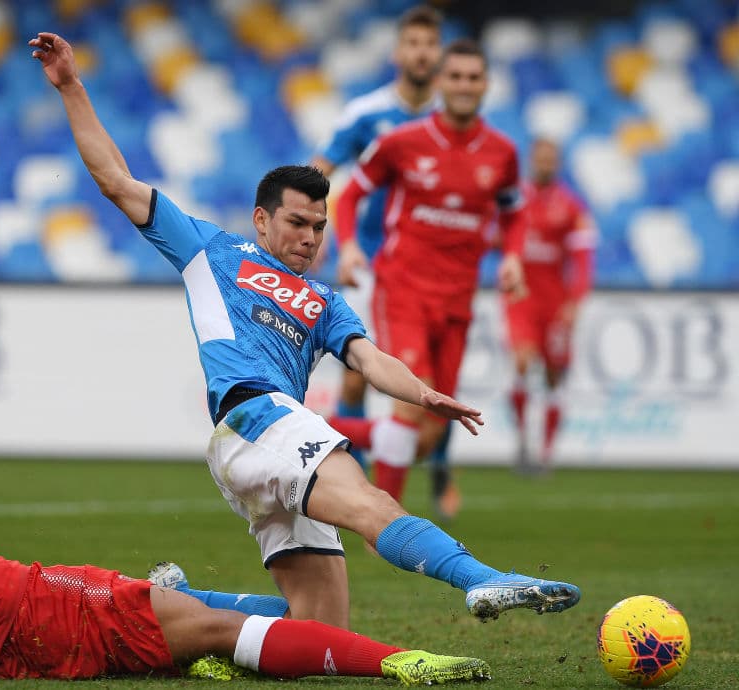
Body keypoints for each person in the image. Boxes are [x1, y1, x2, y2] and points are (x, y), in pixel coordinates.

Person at [31, 31, 579, 631]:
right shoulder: (211, 249)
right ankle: (484, 581)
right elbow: (115, 179)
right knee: (372, 504)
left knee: (319, 625)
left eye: (319, 227)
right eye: (297, 223)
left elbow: (369, 359)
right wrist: (71, 86)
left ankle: (160, 598)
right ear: (262, 219)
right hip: (257, 417)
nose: (310, 238)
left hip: (267, 440)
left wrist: (420, 392)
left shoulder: (325, 300)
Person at [0, 302, 492, 685]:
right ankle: (397, 662)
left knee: (191, 628)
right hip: (36, 604)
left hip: (3, 659)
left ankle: (190, 640)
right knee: (217, 629)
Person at [329, 38, 529, 507]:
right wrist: (351, 246)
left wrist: (514, 256)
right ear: (440, 81)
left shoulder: (501, 153)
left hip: (458, 300)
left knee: (427, 433)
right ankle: (385, 524)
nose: (463, 85)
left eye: (473, 77)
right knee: (409, 402)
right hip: (403, 290)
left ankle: (312, 425)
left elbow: (514, 212)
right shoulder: (401, 142)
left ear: (485, 84)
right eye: (455, 76)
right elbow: (353, 193)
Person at [310, 6, 459, 520]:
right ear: (398, 53)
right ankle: (348, 479)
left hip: (434, 273)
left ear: (438, 54)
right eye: (413, 43)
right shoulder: (366, 114)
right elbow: (320, 170)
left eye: (429, 44)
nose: (421, 52)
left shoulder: (451, 118)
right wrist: (319, 226)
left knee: (430, 400)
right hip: (373, 265)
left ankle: (431, 469)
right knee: (358, 373)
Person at [505, 139, 596, 472]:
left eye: (550, 159)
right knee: (523, 361)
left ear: (557, 163)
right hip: (521, 299)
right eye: (540, 158)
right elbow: (493, 238)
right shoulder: (515, 200)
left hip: (555, 304)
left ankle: (545, 453)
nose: (545, 164)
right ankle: (522, 442)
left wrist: (575, 300)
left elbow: (583, 259)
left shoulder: (572, 207)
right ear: (532, 160)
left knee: (554, 376)